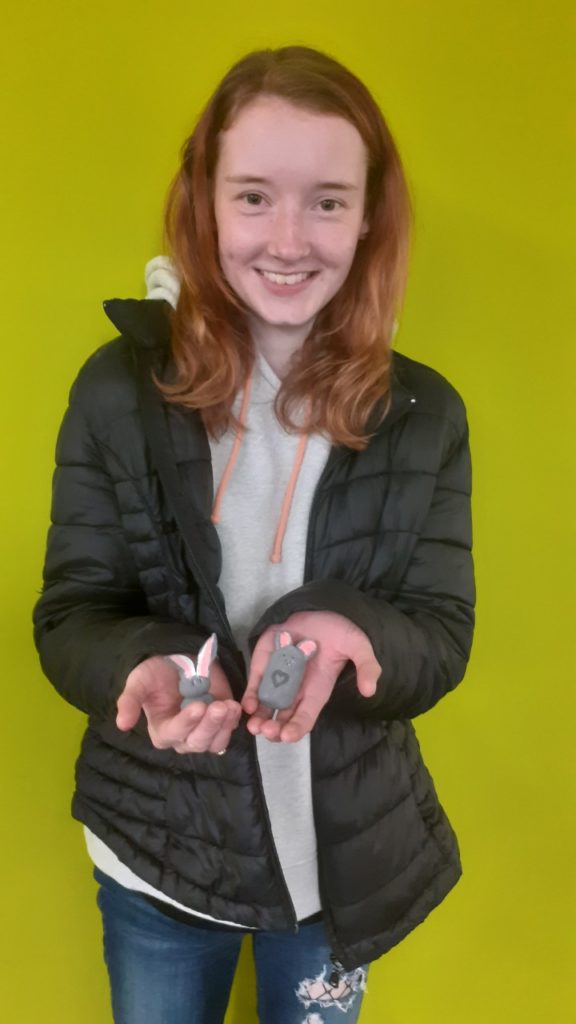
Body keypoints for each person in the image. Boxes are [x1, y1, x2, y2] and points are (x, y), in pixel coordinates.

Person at [33, 45, 475, 1024]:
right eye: (253, 197)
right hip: (156, 847)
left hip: (340, 871)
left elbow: (441, 637)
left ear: (369, 216)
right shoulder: (118, 392)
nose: (289, 237)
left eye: (326, 199)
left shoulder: (425, 413)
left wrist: (358, 639)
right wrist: (139, 668)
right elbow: (72, 614)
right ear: (203, 205)